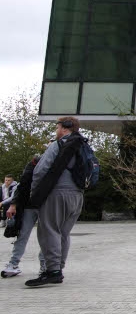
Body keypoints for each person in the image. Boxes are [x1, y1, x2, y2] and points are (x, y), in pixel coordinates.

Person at [27, 117, 87, 287]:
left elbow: (40, 170)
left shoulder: (59, 145)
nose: (56, 129)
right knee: (63, 233)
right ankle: (59, 268)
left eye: (57, 126)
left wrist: (36, 193)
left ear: (65, 128)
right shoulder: (84, 145)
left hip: (57, 193)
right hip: (77, 195)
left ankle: (52, 271)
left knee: (49, 230)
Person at [2, 154, 44, 279]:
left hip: (45, 206)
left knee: (46, 237)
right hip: (30, 206)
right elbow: (23, 185)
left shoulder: (55, 163)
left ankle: (45, 265)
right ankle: (14, 263)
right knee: (22, 235)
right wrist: (13, 204)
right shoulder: (33, 164)